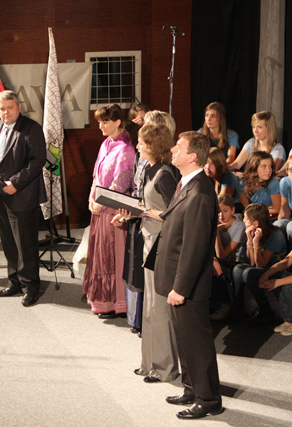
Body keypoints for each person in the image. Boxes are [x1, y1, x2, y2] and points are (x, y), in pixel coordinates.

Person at [152, 131, 222, 419]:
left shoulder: (200, 193)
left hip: (189, 285)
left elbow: (194, 247)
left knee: (197, 342)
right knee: (184, 339)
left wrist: (180, 287)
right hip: (178, 278)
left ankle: (208, 399)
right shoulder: (187, 184)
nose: (173, 149)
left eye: (178, 147)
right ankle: (192, 388)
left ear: (192, 156)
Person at [113, 123, 180, 383]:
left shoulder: (165, 175)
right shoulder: (151, 170)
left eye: (141, 142)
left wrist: (145, 212)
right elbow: (148, 206)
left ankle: (164, 368)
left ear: (153, 145)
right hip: (149, 242)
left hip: (161, 246)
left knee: (159, 307)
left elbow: (175, 214)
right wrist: (130, 215)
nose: (138, 146)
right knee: (150, 306)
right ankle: (150, 363)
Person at [0, 90, 47, 307]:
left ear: (18, 107)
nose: (6, 112)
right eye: (2, 109)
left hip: (22, 195)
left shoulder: (31, 128)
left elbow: (37, 161)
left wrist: (15, 184)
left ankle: (31, 288)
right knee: (8, 243)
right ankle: (14, 283)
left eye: (10, 108)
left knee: (25, 245)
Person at [82, 104, 135, 317]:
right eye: (99, 122)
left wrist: (101, 203)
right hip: (99, 207)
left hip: (114, 210)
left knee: (113, 255)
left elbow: (119, 185)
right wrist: (91, 198)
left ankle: (117, 302)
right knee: (100, 255)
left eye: (105, 122)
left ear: (118, 122)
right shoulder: (106, 143)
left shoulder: (125, 148)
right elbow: (96, 175)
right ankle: (102, 300)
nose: (101, 126)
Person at [231, 203, 288, 325]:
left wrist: (256, 243)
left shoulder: (275, 235)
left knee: (249, 273)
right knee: (238, 269)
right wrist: (249, 241)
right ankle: (237, 310)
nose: (243, 221)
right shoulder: (252, 232)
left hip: (275, 270)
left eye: (246, 219)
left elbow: (260, 265)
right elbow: (251, 262)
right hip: (261, 268)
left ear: (256, 223)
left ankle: (266, 312)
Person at [235, 151, 281, 218]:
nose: (269, 170)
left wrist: (256, 212)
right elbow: (246, 209)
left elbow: (277, 209)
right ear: (254, 167)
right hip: (252, 217)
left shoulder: (273, 182)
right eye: (264, 166)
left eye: (270, 166)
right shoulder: (243, 183)